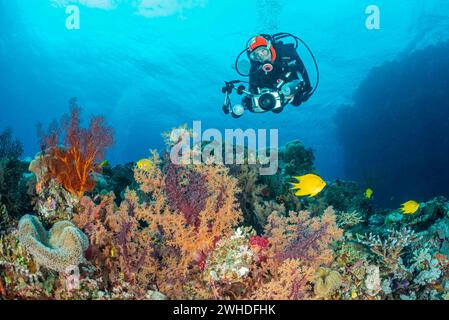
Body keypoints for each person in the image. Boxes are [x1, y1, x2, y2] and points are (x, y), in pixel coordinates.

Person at [222, 33, 319, 118]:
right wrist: (248, 101)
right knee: (274, 108)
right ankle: (244, 65)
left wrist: (295, 92)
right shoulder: (256, 66)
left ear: (270, 48)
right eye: (257, 56)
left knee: (297, 102)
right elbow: (253, 96)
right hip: (269, 83)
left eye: (264, 51)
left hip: (288, 80)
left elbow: (306, 86)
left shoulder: (287, 53)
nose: (262, 58)